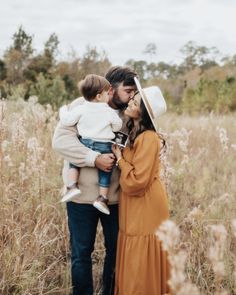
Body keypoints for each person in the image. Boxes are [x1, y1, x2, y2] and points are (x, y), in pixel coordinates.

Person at [52, 66, 137, 295]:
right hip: (80, 198)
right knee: (81, 253)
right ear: (111, 88)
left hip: (116, 198)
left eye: (134, 93)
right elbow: (60, 142)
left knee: (116, 252)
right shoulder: (80, 106)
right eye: (128, 91)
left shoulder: (130, 113)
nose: (131, 97)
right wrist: (94, 159)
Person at [112, 77, 170, 295]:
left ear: (144, 113)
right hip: (134, 204)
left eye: (135, 103)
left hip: (145, 203)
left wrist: (119, 159)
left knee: (141, 257)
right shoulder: (134, 133)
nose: (130, 104)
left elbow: (137, 181)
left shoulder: (148, 137)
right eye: (132, 99)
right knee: (133, 247)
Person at [59, 74, 122, 215]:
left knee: (74, 163)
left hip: (85, 142)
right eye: (107, 93)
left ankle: (72, 186)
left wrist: (63, 110)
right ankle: (102, 198)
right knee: (105, 172)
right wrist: (113, 125)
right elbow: (117, 126)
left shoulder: (80, 108)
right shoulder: (108, 110)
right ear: (99, 96)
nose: (109, 95)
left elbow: (67, 121)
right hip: (104, 145)